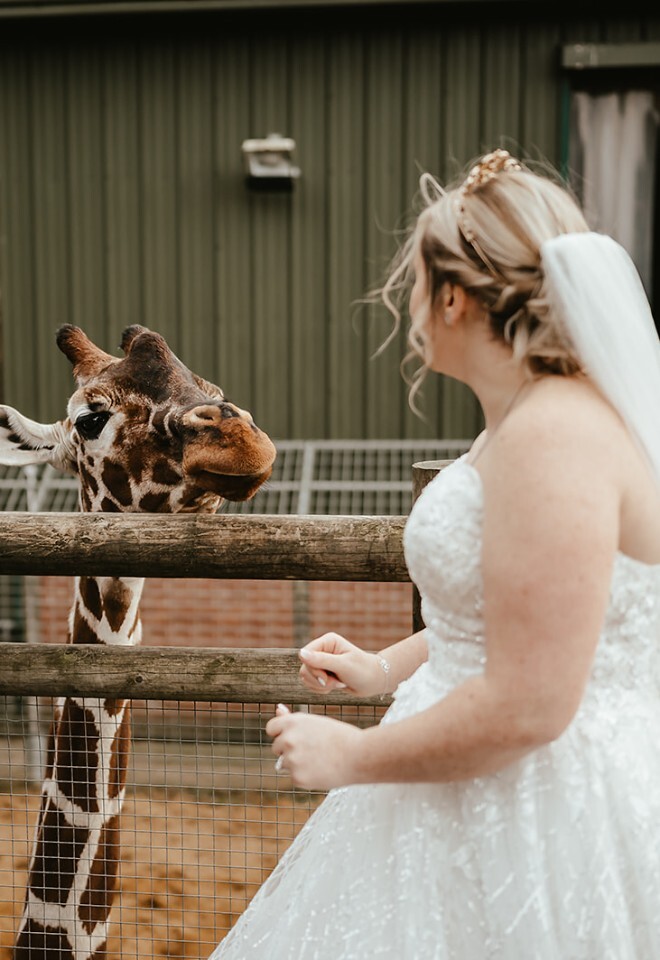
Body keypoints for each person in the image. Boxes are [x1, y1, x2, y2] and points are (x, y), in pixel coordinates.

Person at [209, 149, 660, 959]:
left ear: (452, 297)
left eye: (415, 283)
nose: (408, 303)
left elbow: (531, 703)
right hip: (470, 786)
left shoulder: (553, 434)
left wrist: (353, 753)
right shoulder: (518, 424)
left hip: (537, 811)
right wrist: (386, 670)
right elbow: (509, 618)